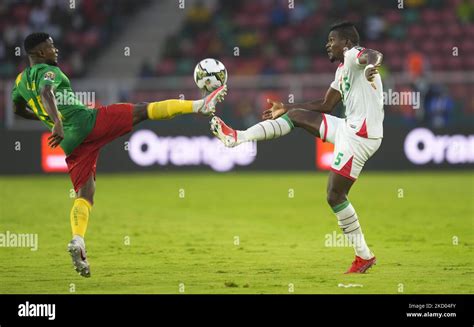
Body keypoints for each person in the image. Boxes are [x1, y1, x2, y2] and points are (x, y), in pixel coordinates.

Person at [11, 32, 227, 277]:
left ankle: (78, 240)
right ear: (40, 53)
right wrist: (56, 122)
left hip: (71, 144)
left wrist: (45, 120)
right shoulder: (51, 73)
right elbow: (46, 93)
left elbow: (17, 108)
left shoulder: (19, 81)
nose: (55, 50)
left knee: (85, 194)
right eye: (50, 47)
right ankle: (200, 105)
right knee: (143, 111)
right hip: (87, 123)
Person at [211, 22, 383, 273]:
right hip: (348, 128)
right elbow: (325, 105)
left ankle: (364, 256)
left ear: (345, 43)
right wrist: (287, 108)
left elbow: (373, 55)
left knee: (334, 195)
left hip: (361, 137)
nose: (327, 44)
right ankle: (237, 136)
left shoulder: (354, 55)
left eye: (332, 39)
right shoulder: (342, 70)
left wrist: (370, 66)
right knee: (297, 117)